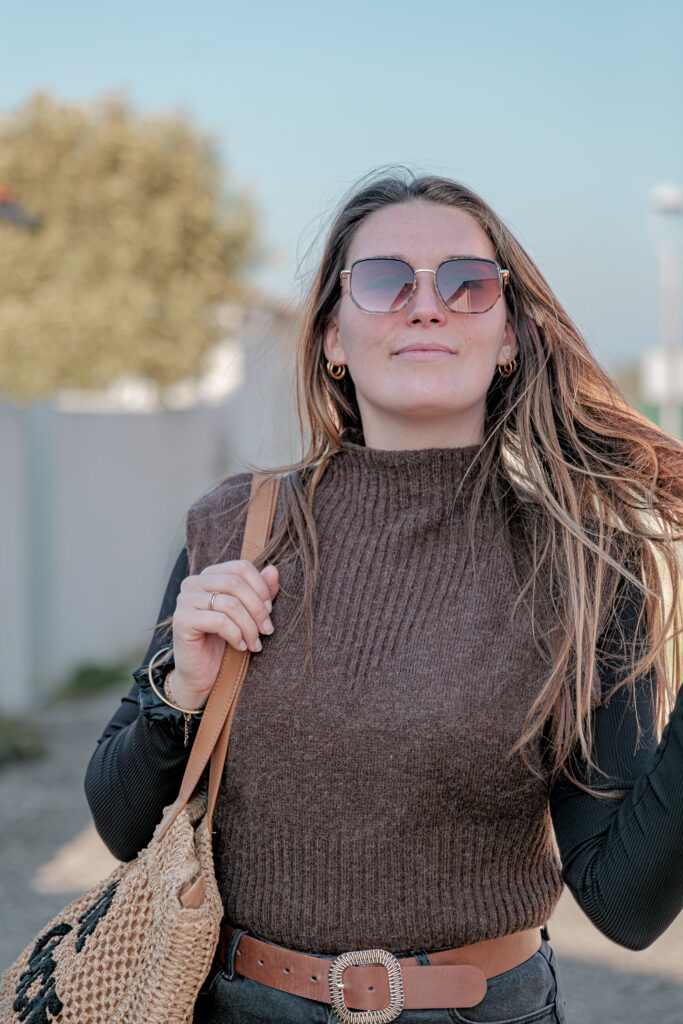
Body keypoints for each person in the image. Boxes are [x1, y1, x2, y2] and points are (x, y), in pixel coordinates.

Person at [85, 168, 683, 1024]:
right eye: (383, 280)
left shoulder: (587, 565)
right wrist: (177, 693)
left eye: (467, 283)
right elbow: (119, 826)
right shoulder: (236, 529)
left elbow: (625, 904)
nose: (426, 304)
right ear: (331, 334)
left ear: (508, 334)